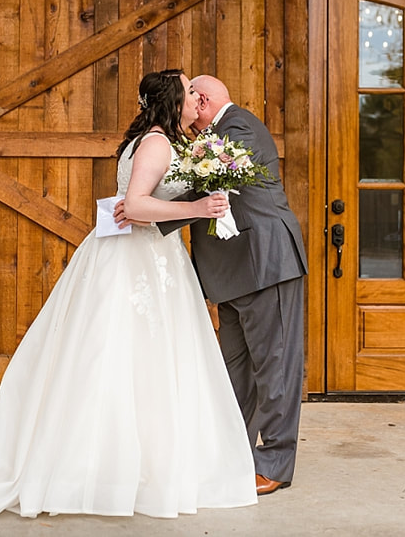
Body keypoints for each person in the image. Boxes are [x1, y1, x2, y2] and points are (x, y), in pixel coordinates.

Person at [0, 69, 257, 530]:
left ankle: (138, 458)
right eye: (188, 89)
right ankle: (110, 466)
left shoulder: (161, 141)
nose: (195, 96)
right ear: (173, 99)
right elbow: (134, 206)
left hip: (151, 259)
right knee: (124, 356)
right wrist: (197, 208)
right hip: (137, 263)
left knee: (140, 359)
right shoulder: (157, 143)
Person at [122, 75, 308, 497]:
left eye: (191, 97)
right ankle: (232, 453)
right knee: (233, 373)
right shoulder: (209, 139)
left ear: (202, 100)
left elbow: (211, 183)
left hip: (265, 265)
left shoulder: (237, 126)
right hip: (230, 275)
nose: (188, 109)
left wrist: (143, 206)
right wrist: (141, 202)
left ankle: (275, 462)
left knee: (274, 368)